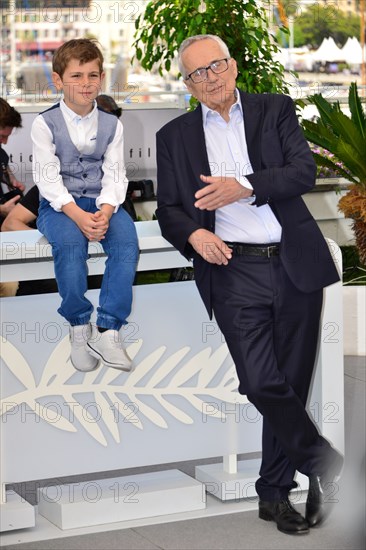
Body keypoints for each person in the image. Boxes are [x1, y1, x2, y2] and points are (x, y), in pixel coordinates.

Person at [156, 34, 343, 536]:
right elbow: (169, 209)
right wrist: (194, 233)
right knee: (262, 382)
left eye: (215, 66)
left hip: (294, 265)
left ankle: (277, 494)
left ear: (233, 66)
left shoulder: (274, 110)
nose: (209, 79)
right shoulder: (174, 136)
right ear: (189, 84)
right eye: (196, 74)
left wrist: (247, 187)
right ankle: (324, 462)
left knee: (292, 383)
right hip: (234, 270)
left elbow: (304, 172)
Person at [31, 39, 139, 373]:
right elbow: (47, 179)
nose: (86, 83)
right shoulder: (43, 123)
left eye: (93, 75)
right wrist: (77, 214)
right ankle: (79, 325)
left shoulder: (112, 124)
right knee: (69, 244)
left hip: (101, 200)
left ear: (102, 78)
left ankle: (108, 329)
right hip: (60, 205)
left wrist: (105, 212)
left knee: (126, 244)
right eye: (76, 76)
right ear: (58, 80)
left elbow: (116, 175)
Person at [0, 98, 26, 297]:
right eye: (2, 135)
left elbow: (7, 175)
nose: (5, 142)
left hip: (6, 234)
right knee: (8, 285)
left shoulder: (1, 154)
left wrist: (13, 183)